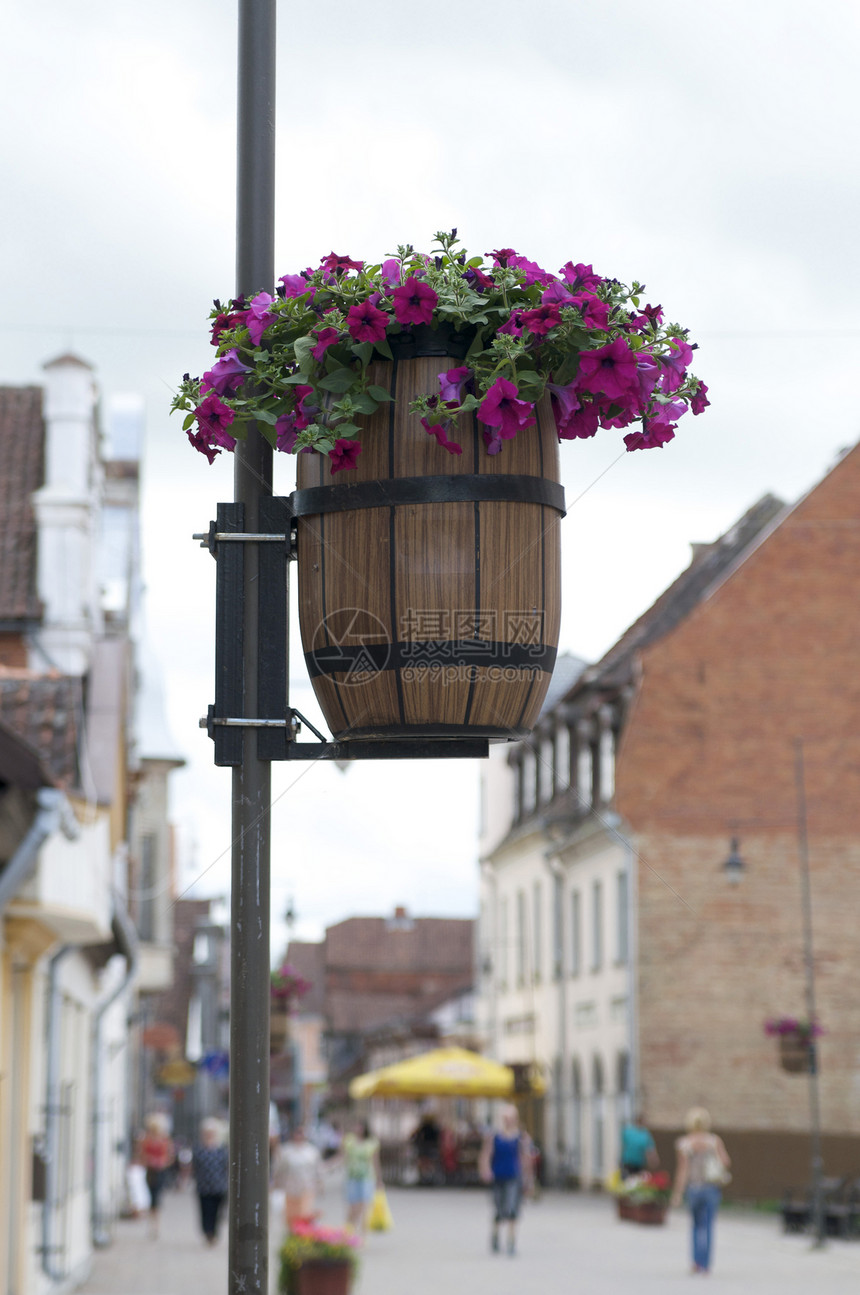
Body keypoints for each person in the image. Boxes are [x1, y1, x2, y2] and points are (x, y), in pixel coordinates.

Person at [670, 1107, 731, 1275]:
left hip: (694, 1189)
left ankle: (696, 1262)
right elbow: (726, 1162)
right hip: (711, 1188)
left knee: (696, 1226)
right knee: (709, 1226)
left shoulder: (684, 1143)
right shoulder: (714, 1141)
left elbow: (683, 1170)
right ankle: (706, 1265)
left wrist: (677, 1193)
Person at [478, 1104, 534, 1256]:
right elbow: (486, 1154)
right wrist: (486, 1170)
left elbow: (526, 1158)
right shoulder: (494, 1135)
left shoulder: (521, 1137)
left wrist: (528, 1179)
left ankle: (511, 1241)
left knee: (512, 1209)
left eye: (510, 1118)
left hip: (514, 1177)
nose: (508, 1121)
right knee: (499, 1209)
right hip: (497, 1176)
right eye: (505, 1118)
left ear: (515, 1119)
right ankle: (495, 1235)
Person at [272, 1124, 324, 1229]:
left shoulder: (312, 1151)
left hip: (307, 1188)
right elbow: (278, 1170)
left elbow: (318, 1170)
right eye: (297, 1133)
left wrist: (320, 1185)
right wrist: (276, 1185)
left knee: (304, 1216)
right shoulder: (286, 1151)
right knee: (290, 1217)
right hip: (290, 1189)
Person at [137, 1113, 175, 1238]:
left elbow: (170, 1156)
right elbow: (141, 1154)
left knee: (156, 1197)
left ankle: (156, 1224)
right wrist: (149, 1160)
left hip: (160, 1171)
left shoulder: (165, 1140)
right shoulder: (146, 1140)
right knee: (150, 1197)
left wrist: (162, 1162)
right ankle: (152, 1223)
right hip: (150, 1171)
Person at [192, 1117, 229, 1245]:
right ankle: (207, 1232)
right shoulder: (199, 1149)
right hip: (203, 1186)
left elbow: (226, 1166)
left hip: (219, 1186)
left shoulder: (222, 1149)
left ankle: (214, 1232)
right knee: (205, 1210)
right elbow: (195, 1166)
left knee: (217, 1212)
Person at [341, 1119, 381, 1232]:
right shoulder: (348, 1140)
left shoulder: (372, 1142)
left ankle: (362, 1232)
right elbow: (342, 1156)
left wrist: (379, 1179)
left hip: (367, 1177)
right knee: (353, 1206)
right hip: (352, 1176)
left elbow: (375, 1161)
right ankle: (349, 1229)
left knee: (363, 1206)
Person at [620, 1112, 659, 1178]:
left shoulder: (645, 1134)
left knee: (637, 1180)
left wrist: (653, 1159)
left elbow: (650, 1149)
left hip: (639, 1163)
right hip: (627, 1161)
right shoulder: (628, 1131)